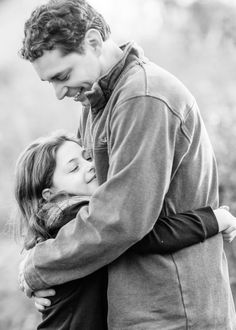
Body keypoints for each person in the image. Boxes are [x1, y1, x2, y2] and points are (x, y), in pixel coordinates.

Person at [19, 0, 236, 328]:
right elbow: (83, 210)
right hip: (136, 307)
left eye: (62, 76)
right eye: (49, 81)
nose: (58, 93)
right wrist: (49, 277)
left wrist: (40, 266)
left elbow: (121, 218)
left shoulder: (143, 98)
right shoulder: (97, 102)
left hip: (173, 310)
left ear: (93, 42)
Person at [15, 131, 236, 329]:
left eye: (87, 157)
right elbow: (145, 234)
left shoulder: (62, 225)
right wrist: (213, 219)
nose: (89, 165)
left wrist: (32, 273)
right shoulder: (72, 217)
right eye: (73, 167)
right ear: (50, 195)